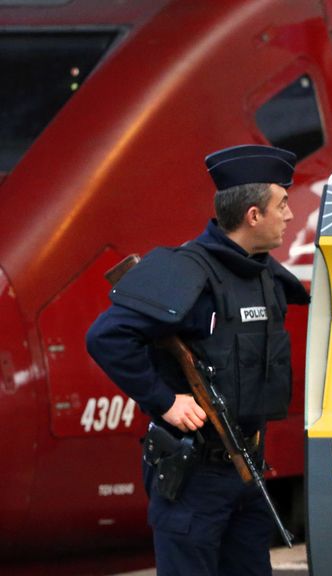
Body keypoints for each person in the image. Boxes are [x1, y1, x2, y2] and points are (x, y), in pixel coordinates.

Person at [86, 144, 309, 576]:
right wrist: (165, 401)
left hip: (248, 473)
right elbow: (106, 337)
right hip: (194, 476)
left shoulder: (265, 274)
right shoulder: (185, 272)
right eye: (282, 204)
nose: (291, 214)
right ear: (253, 216)